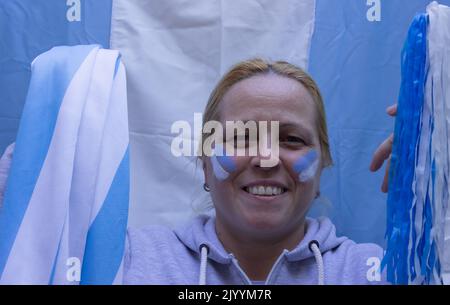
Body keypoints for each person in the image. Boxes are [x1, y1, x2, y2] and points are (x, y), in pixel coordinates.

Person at [0, 59, 394, 285]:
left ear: (323, 163)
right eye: (241, 138)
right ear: (205, 162)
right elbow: (22, 238)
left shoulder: (379, 271)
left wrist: (437, 183)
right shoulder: (128, 263)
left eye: (291, 140)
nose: (267, 158)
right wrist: (55, 128)